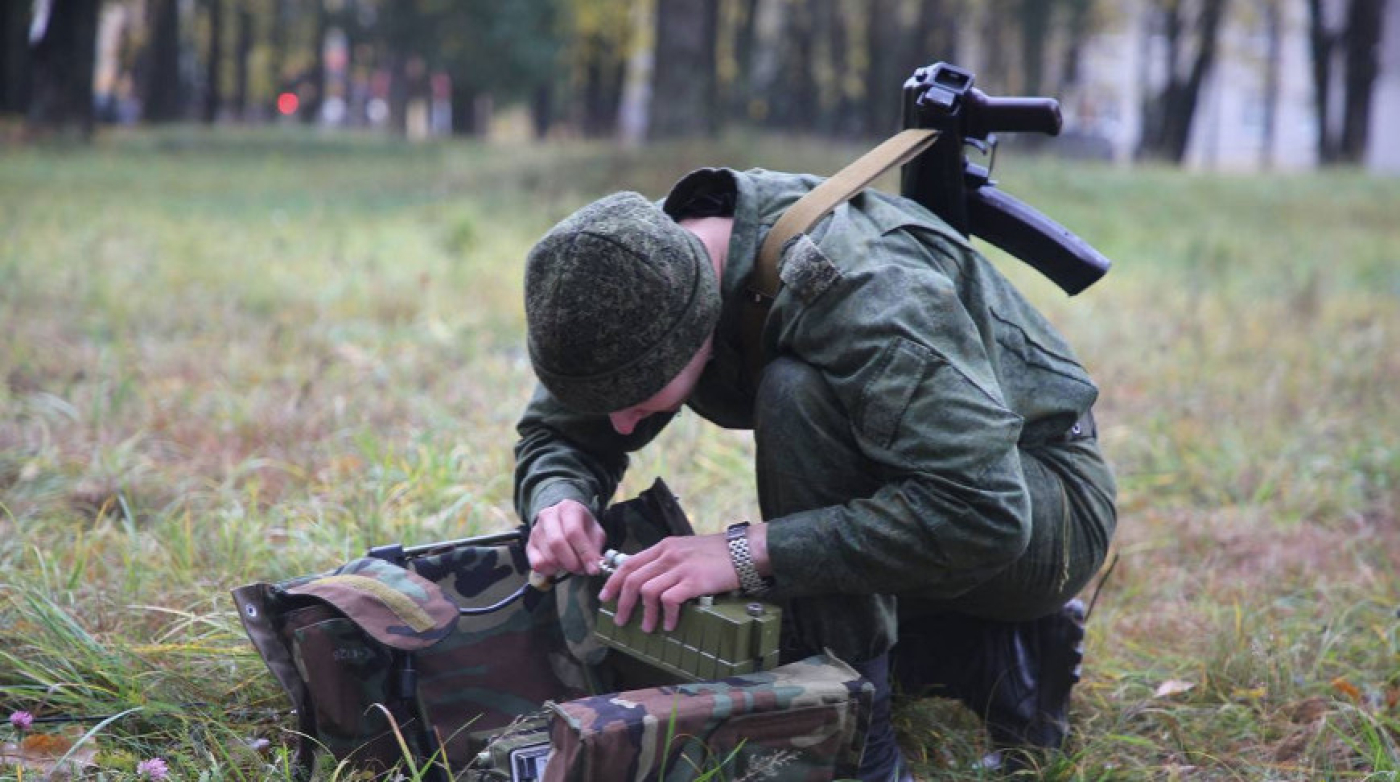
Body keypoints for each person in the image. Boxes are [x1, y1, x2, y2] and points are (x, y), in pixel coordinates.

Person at [513, 167, 1117, 781]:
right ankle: (988, 652)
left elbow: (984, 513)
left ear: (700, 319)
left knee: (795, 396)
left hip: (1044, 506)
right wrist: (558, 501)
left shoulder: (862, 290)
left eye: (638, 397)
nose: (619, 425)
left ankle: (861, 740)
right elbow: (559, 432)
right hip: (925, 485)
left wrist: (747, 552)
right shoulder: (628, 264)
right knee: (777, 626)